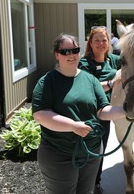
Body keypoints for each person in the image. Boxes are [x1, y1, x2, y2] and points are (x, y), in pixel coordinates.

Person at [32, 34, 125, 194]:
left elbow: (102, 111)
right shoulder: (47, 81)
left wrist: (127, 111)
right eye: (65, 51)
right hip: (59, 154)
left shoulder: (91, 80)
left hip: (92, 152)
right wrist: (73, 126)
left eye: (75, 50)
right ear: (56, 54)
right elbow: (40, 115)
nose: (71, 55)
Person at [79, 27, 121, 194]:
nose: (101, 43)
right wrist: (112, 82)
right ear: (90, 42)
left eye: (104, 40)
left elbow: (133, 60)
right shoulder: (84, 63)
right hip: (89, 113)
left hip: (106, 112)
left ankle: (96, 183)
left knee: (101, 150)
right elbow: (90, 87)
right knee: (88, 150)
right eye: (97, 40)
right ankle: (83, 184)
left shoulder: (113, 59)